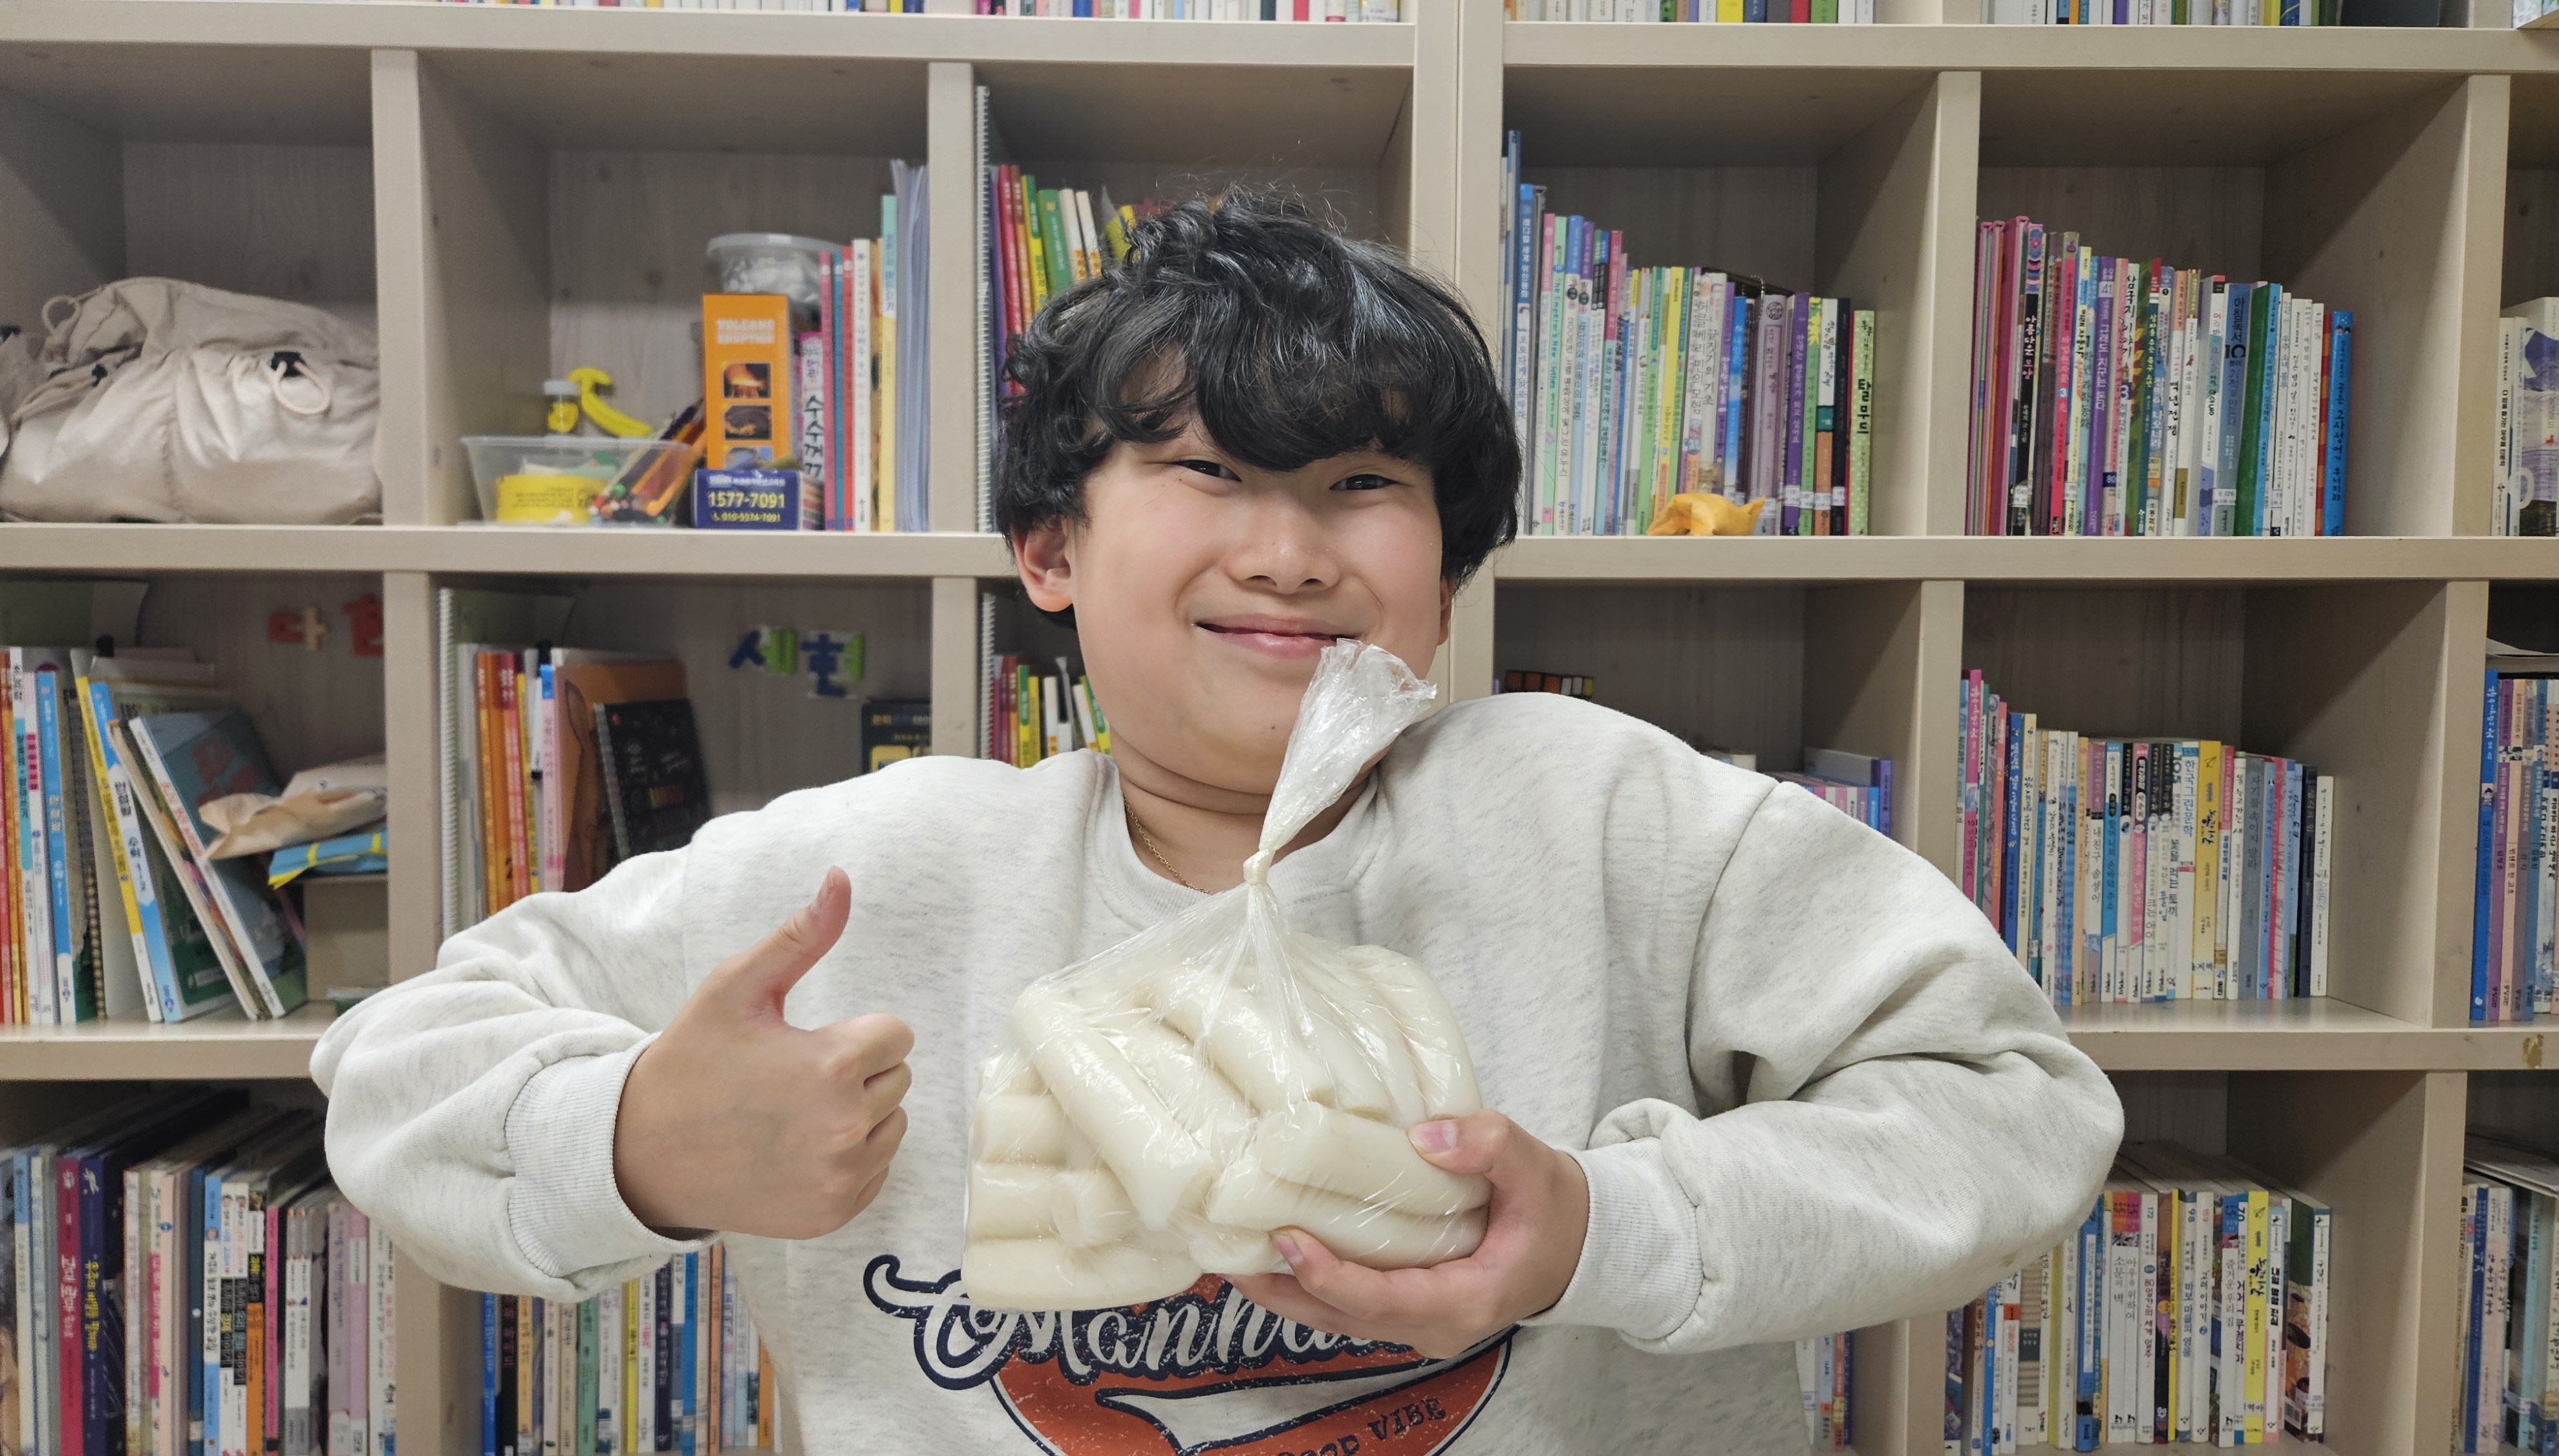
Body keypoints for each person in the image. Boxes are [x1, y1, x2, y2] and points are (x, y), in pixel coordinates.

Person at [314, 191, 2122, 1455]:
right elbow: (395, 1070)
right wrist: (636, 1139)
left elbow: (2014, 1106)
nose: (1288, 549)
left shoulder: (1616, 817)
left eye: (1362, 482)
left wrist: (1607, 1226)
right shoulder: (876, 874)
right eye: (1207, 470)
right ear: (1050, 551)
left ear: (1446, 569)